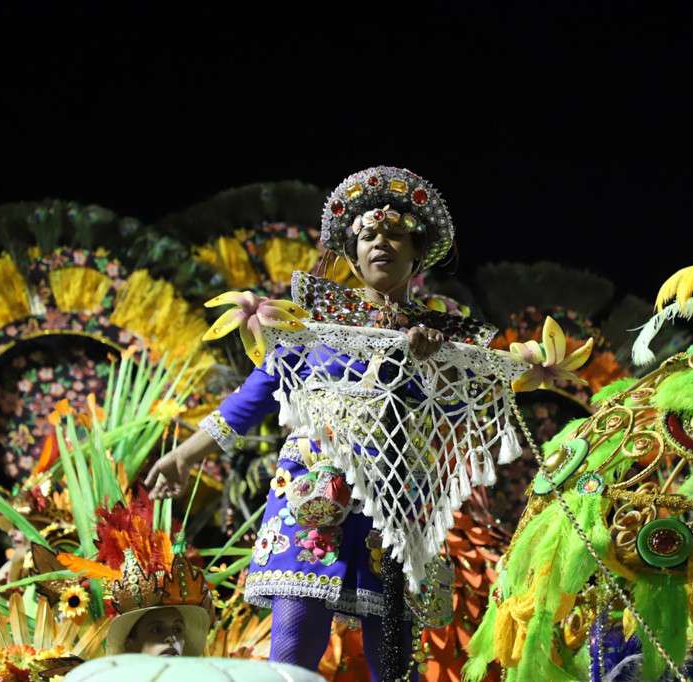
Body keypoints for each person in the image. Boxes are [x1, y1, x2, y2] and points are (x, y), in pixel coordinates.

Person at [145, 166, 499, 680]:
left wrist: (432, 362)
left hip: (395, 504)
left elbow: (459, 420)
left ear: (418, 253)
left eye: (396, 234)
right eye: (369, 235)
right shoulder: (309, 329)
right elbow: (251, 398)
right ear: (353, 254)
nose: (382, 244)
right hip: (312, 498)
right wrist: (184, 454)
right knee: (294, 639)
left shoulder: (444, 338)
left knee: (394, 652)